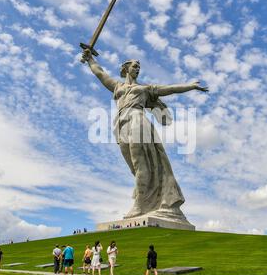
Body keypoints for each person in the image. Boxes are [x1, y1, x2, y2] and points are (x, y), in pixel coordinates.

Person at [81, 50, 207, 221]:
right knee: (134, 166)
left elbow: (169, 89)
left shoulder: (145, 89)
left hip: (138, 119)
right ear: (126, 69)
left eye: (139, 67)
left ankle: (140, 205)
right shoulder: (117, 86)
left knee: (140, 163)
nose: (138, 69)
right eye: (135, 66)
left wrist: (190, 86)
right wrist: (89, 58)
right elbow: (99, 72)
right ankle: (148, 199)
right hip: (120, 124)